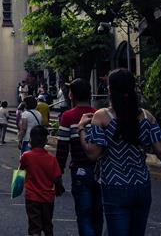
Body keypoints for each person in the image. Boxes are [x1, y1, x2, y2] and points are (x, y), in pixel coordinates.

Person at [78, 68, 161, 236]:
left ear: (110, 89)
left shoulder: (102, 116)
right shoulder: (147, 116)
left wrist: (81, 129)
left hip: (115, 186)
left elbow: (93, 153)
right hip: (142, 185)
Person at [56, 78, 101, 236]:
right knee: (98, 216)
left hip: (80, 171)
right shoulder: (99, 115)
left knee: (84, 216)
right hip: (100, 172)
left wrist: (58, 176)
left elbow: (62, 149)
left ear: (71, 95)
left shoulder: (68, 117)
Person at [20, 125, 65, 236]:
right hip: (48, 197)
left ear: (30, 140)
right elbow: (57, 178)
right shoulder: (52, 159)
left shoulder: (26, 156)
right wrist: (59, 189)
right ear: (45, 140)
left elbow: (20, 171)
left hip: (32, 196)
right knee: (47, 224)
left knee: (35, 226)